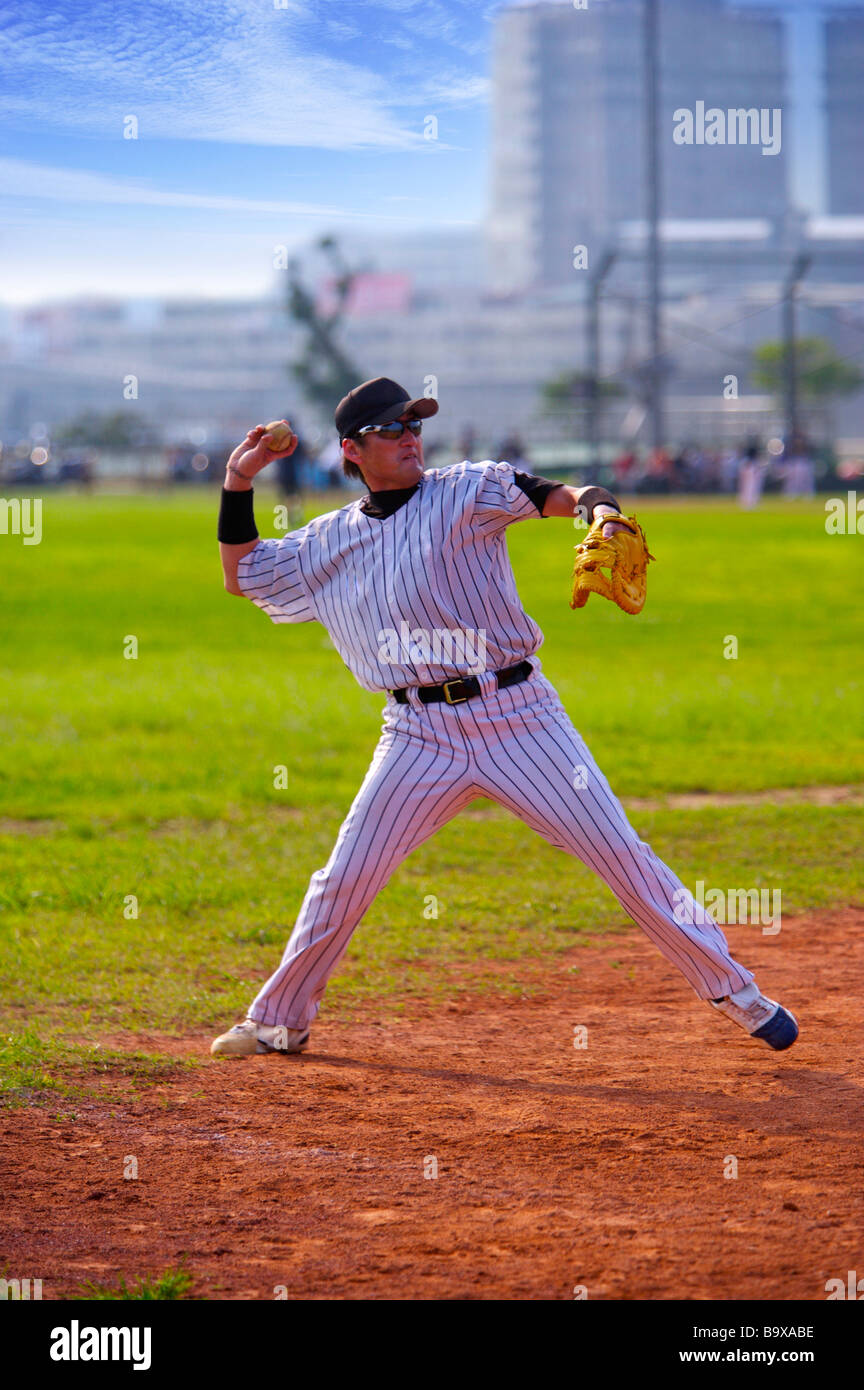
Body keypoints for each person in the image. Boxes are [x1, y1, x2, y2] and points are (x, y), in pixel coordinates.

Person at [211, 376, 798, 1058]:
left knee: (621, 856)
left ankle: (739, 994)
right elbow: (243, 573)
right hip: (416, 735)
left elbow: (560, 495)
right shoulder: (326, 541)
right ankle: (279, 1020)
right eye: (392, 430)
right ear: (353, 448)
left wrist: (600, 513)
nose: (410, 438)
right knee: (343, 877)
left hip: (520, 716)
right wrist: (238, 477)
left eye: (414, 425)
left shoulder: (465, 490)